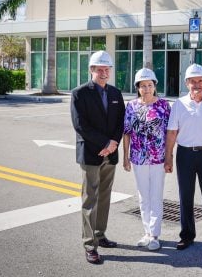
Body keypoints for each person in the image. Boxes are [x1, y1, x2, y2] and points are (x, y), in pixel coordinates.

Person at [70, 50, 125, 265]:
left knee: (104, 196)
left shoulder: (115, 93)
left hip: (109, 154)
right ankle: (89, 244)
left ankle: (100, 235)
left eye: (106, 69)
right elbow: (80, 125)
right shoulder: (79, 93)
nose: (103, 73)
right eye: (99, 69)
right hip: (91, 154)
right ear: (91, 70)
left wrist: (113, 143)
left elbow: (121, 121)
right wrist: (105, 143)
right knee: (89, 199)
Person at [164, 63, 202, 251]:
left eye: (200, 80)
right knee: (185, 197)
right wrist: (168, 157)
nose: (197, 84)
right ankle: (187, 235)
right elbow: (172, 133)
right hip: (185, 155)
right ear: (186, 83)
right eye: (193, 81)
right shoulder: (178, 105)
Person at [122, 68, 171, 251]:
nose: (147, 88)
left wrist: (169, 157)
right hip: (138, 157)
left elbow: (170, 133)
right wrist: (126, 157)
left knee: (156, 195)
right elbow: (126, 133)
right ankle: (146, 232)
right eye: (143, 86)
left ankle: (155, 234)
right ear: (138, 88)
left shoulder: (164, 106)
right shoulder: (132, 106)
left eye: (150, 85)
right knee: (143, 196)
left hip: (158, 158)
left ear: (155, 86)